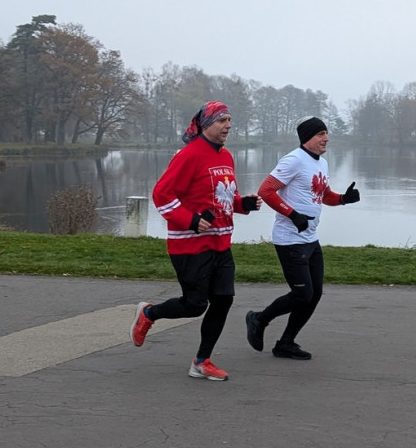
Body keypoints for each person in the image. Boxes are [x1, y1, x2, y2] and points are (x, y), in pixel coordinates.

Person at [128, 101, 261, 381]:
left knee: (223, 299)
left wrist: (243, 203)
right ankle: (149, 313)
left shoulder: (226, 156)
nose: (228, 126)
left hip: (221, 244)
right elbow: (162, 195)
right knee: (196, 304)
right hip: (190, 245)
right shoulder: (189, 155)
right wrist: (189, 219)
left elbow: (221, 198)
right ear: (206, 124)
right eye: (222, 120)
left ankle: (202, 361)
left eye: (230, 120)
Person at [245, 116, 360, 360]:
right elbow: (266, 190)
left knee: (314, 293)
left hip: (310, 238)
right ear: (307, 138)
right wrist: (292, 214)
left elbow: (323, 194)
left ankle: (286, 343)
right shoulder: (294, 160)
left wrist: (342, 199)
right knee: (302, 294)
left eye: (326, 133)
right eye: (320, 134)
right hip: (289, 239)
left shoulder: (322, 164)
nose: (326, 138)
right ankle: (258, 319)